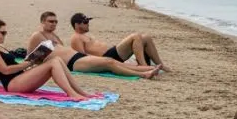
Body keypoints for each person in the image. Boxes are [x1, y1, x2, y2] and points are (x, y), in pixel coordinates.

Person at [0, 18, 93, 100]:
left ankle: (80, 92)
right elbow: (5, 70)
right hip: (13, 84)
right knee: (53, 63)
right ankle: (72, 93)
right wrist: (28, 63)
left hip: (20, 77)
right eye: (2, 32)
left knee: (56, 59)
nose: (5, 35)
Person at [28, 11, 160, 79]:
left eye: (55, 22)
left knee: (113, 62)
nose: (54, 24)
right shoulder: (37, 35)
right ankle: (143, 74)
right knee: (109, 63)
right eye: (50, 21)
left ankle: (146, 69)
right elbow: (30, 58)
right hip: (72, 63)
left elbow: (61, 49)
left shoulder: (54, 36)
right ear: (42, 22)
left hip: (77, 57)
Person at [69, 13, 169, 71]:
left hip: (112, 53)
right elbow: (81, 58)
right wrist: (100, 62)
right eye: (85, 22)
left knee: (146, 37)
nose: (88, 24)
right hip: (107, 57)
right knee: (135, 36)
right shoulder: (76, 38)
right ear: (77, 25)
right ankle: (144, 66)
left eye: (88, 21)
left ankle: (161, 65)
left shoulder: (84, 36)